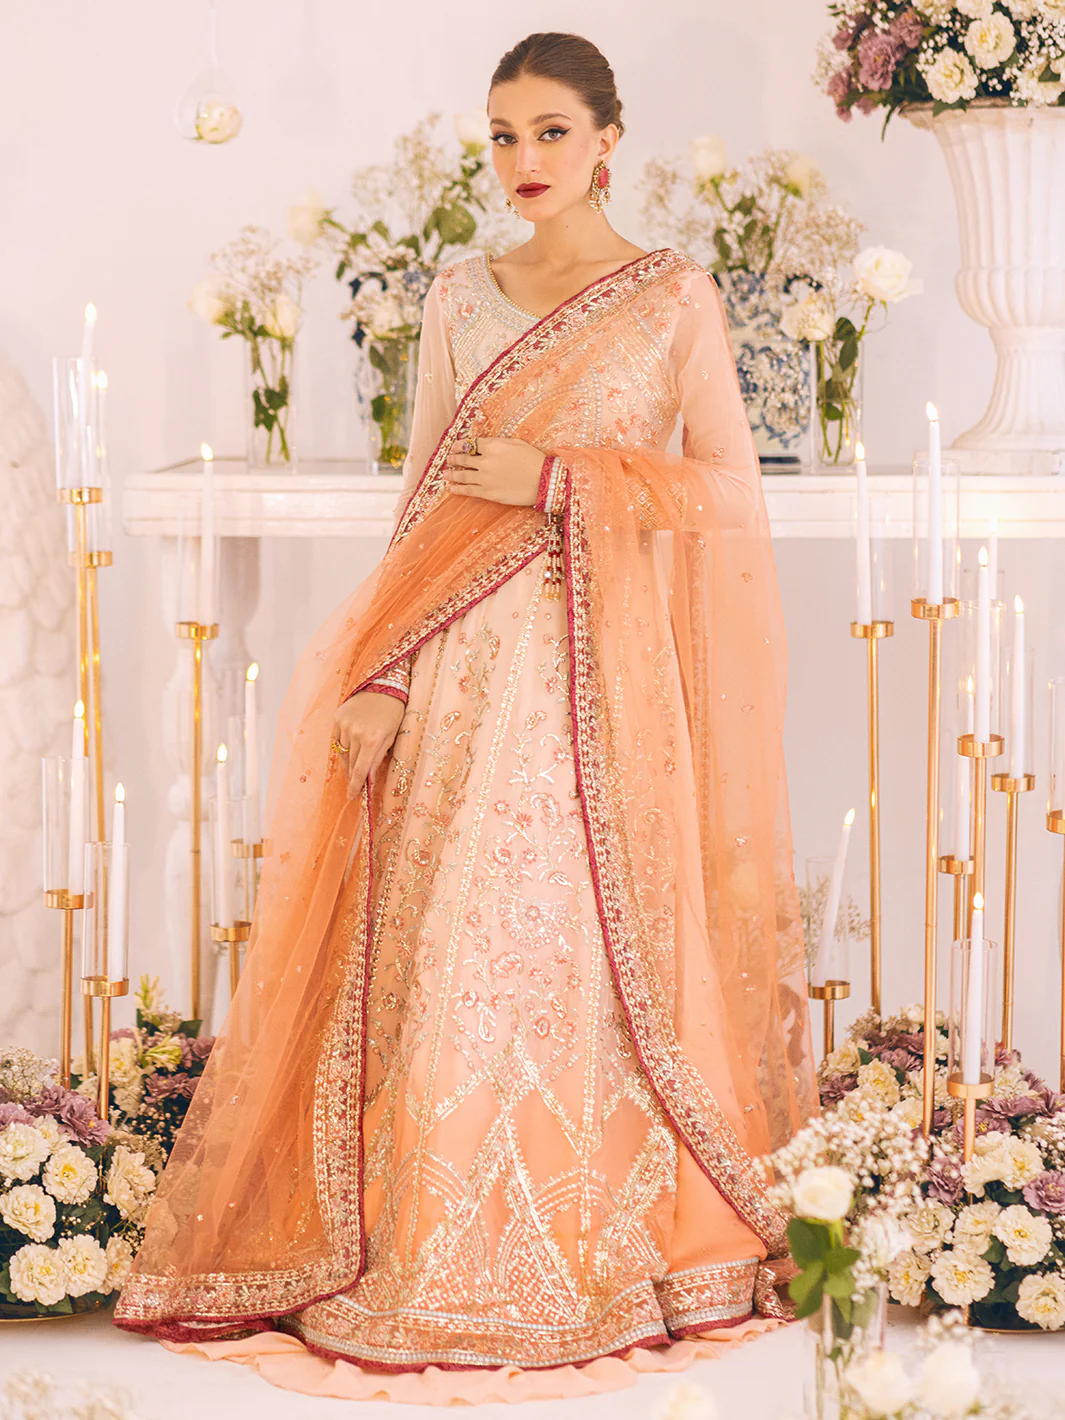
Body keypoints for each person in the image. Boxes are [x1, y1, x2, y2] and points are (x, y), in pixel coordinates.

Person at [115, 29, 817, 1398]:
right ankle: (427, 1252)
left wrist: (562, 478)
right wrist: (381, 675)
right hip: (454, 668)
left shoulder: (671, 297)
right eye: (503, 135)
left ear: (610, 140)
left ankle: (598, 1250)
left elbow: (732, 491)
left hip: (597, 686)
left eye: (552, 131)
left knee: (573, 951)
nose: (525, 160)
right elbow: (423, 511)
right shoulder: (460, 295)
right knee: (448, 952)